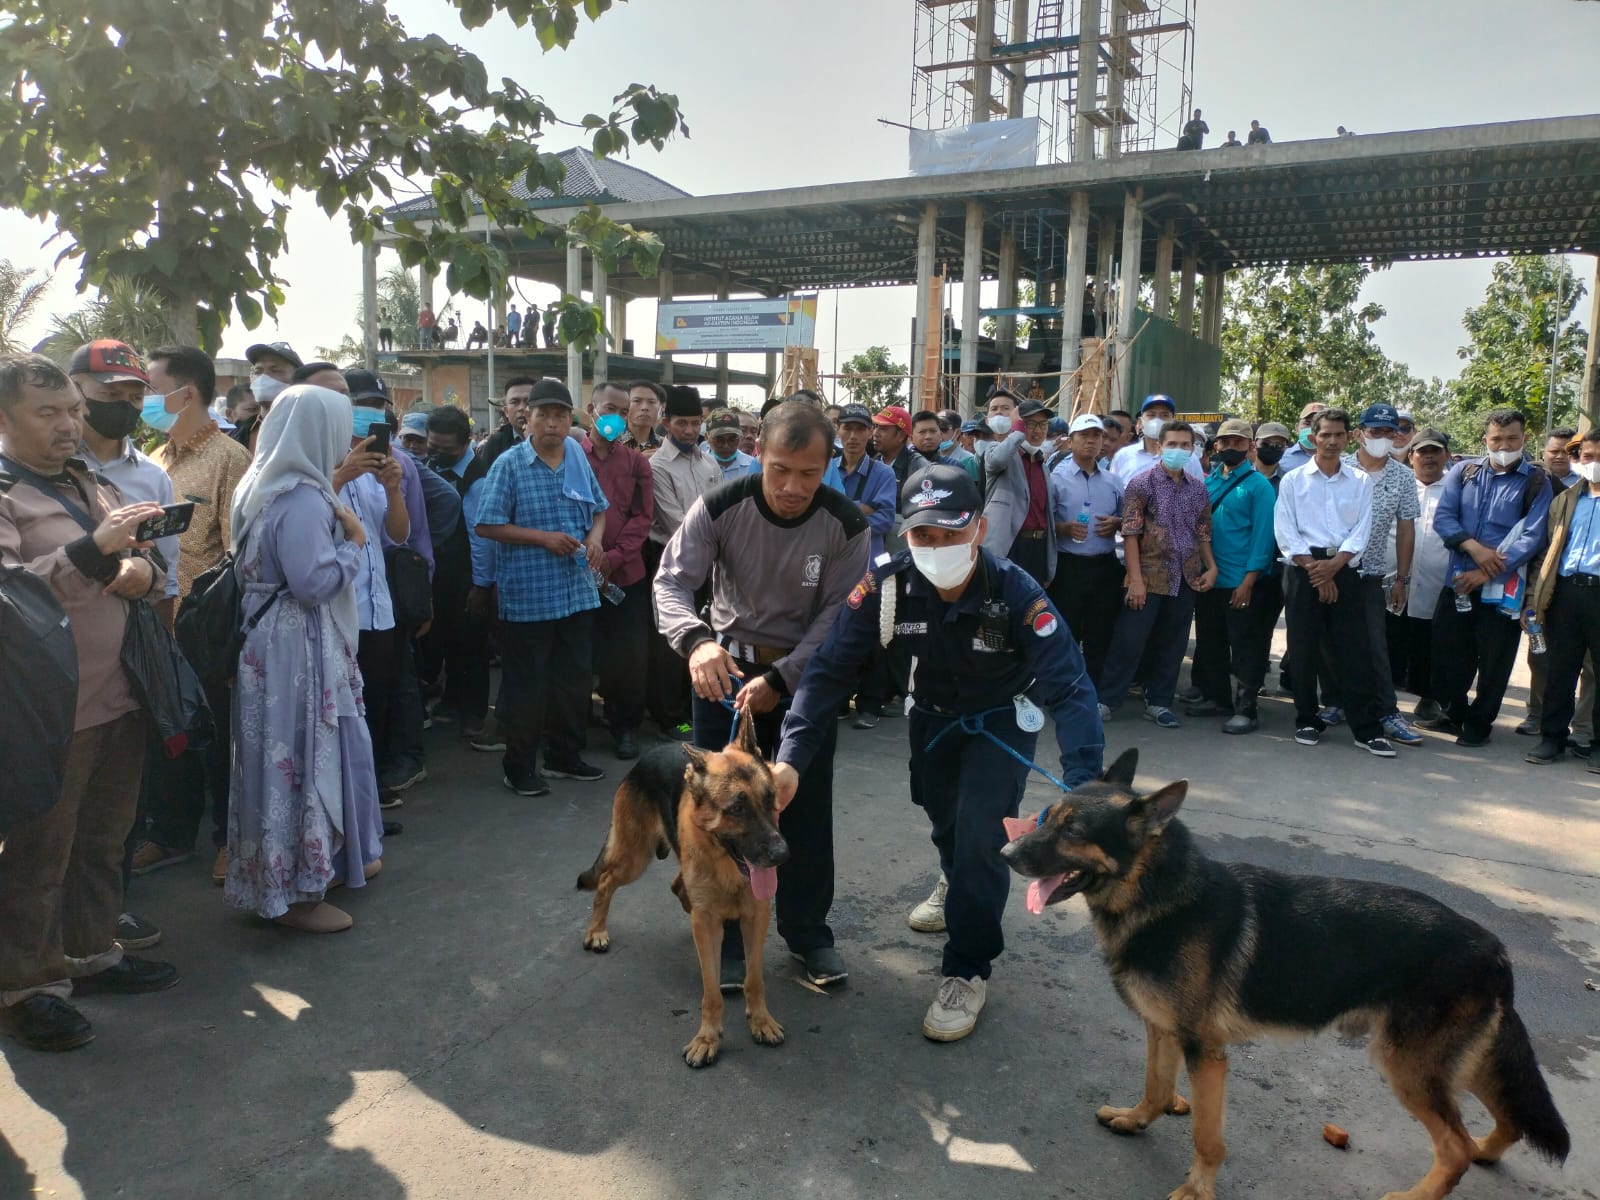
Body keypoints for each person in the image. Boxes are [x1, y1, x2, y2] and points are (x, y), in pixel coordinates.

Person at [773, 463, 1103, 1041]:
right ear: (906, 533)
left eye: (951, 533)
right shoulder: (885, 586)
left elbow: (1070, 688)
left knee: (981, 833)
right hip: (929, 720)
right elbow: (827, 673)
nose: (937, 546)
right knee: (942, 816)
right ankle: (954, 877)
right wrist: (790, 759)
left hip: (1000, 720)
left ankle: (968, 968)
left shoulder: (1016, 591)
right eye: (924, 535)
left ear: (977, 528)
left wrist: (1086, 784)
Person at [654, 400, 869, 990]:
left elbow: (838, 620)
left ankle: (808, 935)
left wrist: (783, 680)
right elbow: (671, 581)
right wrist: (696, 641)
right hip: (722, 678)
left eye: (809, 472)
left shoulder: (846, 523)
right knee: (720, 814)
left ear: (829, 465)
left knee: (804, 806)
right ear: (759, 454)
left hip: (805, 684)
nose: (793, 486)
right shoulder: (723, 503)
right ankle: (723, 933)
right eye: (779, 469)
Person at [0, 352, 176, 1052]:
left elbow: (139, 553)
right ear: (6, 419)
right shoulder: (7, 492)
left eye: (72, 409)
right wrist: (94, 552)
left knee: (103, 841)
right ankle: (29, 986)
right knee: (39, 854)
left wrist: (140, 566)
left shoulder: (91, 479)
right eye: (48, 413)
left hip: (119, 695)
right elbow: (11, 594)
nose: (69, 425)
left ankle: (92, 952)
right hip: (47, 711)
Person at [225, 384, 384, 933]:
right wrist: (355, 544)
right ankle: (297, 895)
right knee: (300, 760)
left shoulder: (260, 485)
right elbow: (313, 583)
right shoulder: (302, 499)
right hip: (295, 648)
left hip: (268, 644)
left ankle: (279, 880)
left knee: (273, 763)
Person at [137, 346, 251, 887]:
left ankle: (230, 839)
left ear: (186, 393)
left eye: (150, 388)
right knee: (169, 734)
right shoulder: (155, 460)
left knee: (220, 737)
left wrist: (233, 640)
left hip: (206, 627)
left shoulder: (231, 459)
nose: (143, 401)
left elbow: (239, 558)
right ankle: (170, 833)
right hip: (156, 621)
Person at [474, 379, 608, 794]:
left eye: (560, 415)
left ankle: (564, 757)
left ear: (571, 420)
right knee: (529, 686)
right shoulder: (509, 465)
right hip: (530, 596)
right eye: (543, 415)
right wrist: (543, 537)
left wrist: (596, 539)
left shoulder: (576, 456)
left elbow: (599, 510)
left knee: (573, 682)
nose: (552, 423)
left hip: (576, 589)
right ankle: (519, 767)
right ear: (526, 418)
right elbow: (486, 525)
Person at [1274, 407, 1395, 756]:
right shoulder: (1294, 480)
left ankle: (1366, 729)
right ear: (1313, 438)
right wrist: (1315, 569)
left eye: (1338, 434)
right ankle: (1307, 720)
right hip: (1303, 569)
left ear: (1348, 437)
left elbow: (1362, 530)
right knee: (1304, 649)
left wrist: (1334, 567)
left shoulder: (1360, 482)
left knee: (1355, 652)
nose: (1330, 441)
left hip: (1345, 570)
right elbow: (1285, 529)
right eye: (1324, 434)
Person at [1430, 409, 1552, 747]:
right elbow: (1444, 518)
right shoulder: (1463, 472)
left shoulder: (1536, 482)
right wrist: (1474, 548)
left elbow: (1533, 536)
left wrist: (1484, 571)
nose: (1504, 445)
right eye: (1496, 439)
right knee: (1447, 653)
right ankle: (1454, 710)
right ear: (1485, 439)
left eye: (1512, 438)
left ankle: (1479, 724)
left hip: (1503, 587)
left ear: (1525, 439)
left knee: (1495, 661)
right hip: (1456, 581)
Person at [1315, 403, 1424, 746]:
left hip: (1371, 573)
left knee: (1375, 646)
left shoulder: (1403, 477)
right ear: (1359, 434)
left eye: (1389, 433)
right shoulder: (1339, 467)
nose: (1381, 439)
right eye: (1375, 432)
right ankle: (1335, 702)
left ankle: (1387, 713)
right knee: (1330, 641)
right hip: (1330, 569)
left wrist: (1401, 580)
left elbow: (1406, 530)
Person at [1097, 421, 1216, 728]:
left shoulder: (1198, 486)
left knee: (1173, 643)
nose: (1178, 450)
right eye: (1172, 444)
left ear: (1192, 449)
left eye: (1184, 445)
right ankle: (1107, 699)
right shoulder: (1142, 483)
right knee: (1129, 640)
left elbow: (1203, 530)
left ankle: (1160, 701)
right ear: (1160, 447)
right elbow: (1131, 533)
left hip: (1185, 576)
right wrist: (1135, 580)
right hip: (1148, 577)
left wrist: (1211, 566)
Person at [1183, 419, 1279, 733]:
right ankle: (1217, 698)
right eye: (1225, 442)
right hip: (1210, 579)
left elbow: (1263, 538)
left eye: (1239, 443)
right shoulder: (1209, 482)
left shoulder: (1259, 486)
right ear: (1217, 447)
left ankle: (1247, 709)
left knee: (1246, 646)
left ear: (1251, 447)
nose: (1231, 448)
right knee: (1211, 641)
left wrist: (1249, 581)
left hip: (1241, 582)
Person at [583, 381, 655, 759]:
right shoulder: (571, 457)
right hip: (576, 573)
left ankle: (625, 727)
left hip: (625, 575)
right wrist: (589, 557)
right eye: (609, 409)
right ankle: (575, 723)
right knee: (579, 652)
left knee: (626, 657)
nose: (615, 418)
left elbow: (643, 518)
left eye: (622, 412)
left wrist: (614, 557)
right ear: (590, 409)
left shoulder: (637, 463)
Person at [646, 384, 722, 740]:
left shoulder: (708, 462)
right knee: (669, 646)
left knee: (702, 637)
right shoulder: (657, 466)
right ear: (666, 422)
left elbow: (724, 513)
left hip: (708, 564)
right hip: (668, 563)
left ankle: (692, 710)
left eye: (695, 422)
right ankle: (669, 718)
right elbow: (676, 523)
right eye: (681, 423)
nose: (690, 430)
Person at [1526, 428, 1600, 770]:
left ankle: (1593, 743)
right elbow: (1547, 555)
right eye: (1588, 456)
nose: (1594, 463)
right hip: (1567, 593)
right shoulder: (1566, 500)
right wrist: (1535, 597)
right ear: (1578, 459)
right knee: (1560, 669)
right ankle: (1551, 738)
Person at [422, 404, 494, 742]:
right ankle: (451, 702)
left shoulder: (477, 477)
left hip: (466, 573)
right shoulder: (428, 465)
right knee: (444, 639)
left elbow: (481, 537)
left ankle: (475, 714)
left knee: (471, 645)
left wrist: (480, 585)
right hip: (436, 571)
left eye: (446, 450)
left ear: (466, 443)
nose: (437, 454)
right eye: (432, 446)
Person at [834, 403, 899, 728]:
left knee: (872, 636)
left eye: (861, 429)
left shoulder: (882, 473)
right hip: (833, 566)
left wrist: (845, 514)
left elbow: (886, 519)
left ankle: (870, 703)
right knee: (836, 633)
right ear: (838, 430)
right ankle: (841, 699)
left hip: (869, 566)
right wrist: (862, 509)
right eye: (847, 428)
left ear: (870, 433)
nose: (853, 436)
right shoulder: (826, 466)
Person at [1048, 413, 1124, 687]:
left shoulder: (1113, 482)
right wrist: (1065, 528)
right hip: (1069, 566)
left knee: (1100, 631)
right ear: (1071, 441)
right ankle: (1063, 687)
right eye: (1084, 436)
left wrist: (1117, 523)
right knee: (1066, 629)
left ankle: (1093, 689)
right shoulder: (1055, 479)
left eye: (1097, 436)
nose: (1091, 442)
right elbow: (1044, 524)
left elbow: (1128, 520)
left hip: (1104, 566)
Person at [1397, 430, 1453, 727]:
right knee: (1395, 637)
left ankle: (1429, 698)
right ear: (1411, 456)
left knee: (1434, 642)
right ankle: (1386, 697)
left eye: (1436, 451)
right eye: (1423, 452)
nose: (1429, 457)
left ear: (1446, 456)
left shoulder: (1456, 489)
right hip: (1398, 579)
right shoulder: (1401, 486)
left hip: (1439, 580)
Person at [981, 398, 1059, 586]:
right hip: (1009, 546)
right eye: (1031, 424)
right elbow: (996, 461)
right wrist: (1016, 431)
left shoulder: (1043, 465)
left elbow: (1046, 516)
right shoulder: (999, 453)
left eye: (1043, 424)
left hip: (1037, 549)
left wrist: (1048, 566)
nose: (1038, 430)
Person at [1110, 394, 1204, 484]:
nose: (1157, 420)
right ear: (1140, 422)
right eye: (1151, 415)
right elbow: (1114, 494)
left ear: (1173, 421)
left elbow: (1199, 496)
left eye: (1165, 415)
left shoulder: (1189, 459)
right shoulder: (1123, 456)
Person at [706, 409, 757, 480]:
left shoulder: (753, 466)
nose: (726, 445)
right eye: (719, 440)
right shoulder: (697, 466)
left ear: (739, 437)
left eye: (732, 439)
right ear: (707, 437)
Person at [1278, 401, 1326, 474]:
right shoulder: (1281, 457)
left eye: (1319, 424)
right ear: (1297, 428)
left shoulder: (1340, 460)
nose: (1312, 428)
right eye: (1307, 423)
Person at [623, 380, 664, 456]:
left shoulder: (665, 446)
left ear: (661, 407)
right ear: (625, 405)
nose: (644, 407)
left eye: (651, 402)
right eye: (637, 401)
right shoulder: (610, 443)